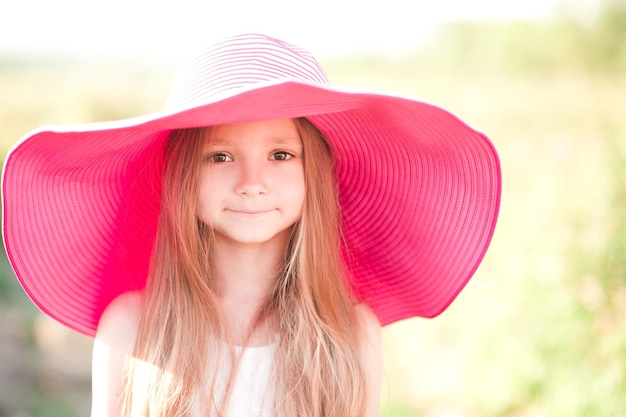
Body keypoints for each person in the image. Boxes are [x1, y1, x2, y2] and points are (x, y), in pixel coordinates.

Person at [2, 34, 501, 416]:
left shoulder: (348, 333)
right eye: (219, 156)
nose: (251, 182)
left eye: (280, 154)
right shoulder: (133, 328)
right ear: (182, 176)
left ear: (314, 175)